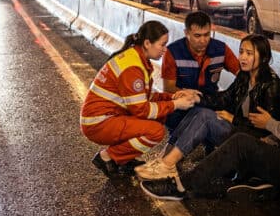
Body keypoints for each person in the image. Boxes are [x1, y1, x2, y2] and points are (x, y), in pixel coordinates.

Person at [141, 26, 280, 201]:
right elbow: (226, 99)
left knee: (241, 142)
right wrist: (197, 97)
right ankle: (265, 184)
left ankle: (180, 187)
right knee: (212, 120)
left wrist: (270, 126)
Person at [135, 34, 280, 181]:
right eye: (241, 52)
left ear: (264, 57)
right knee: (198, 110)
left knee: (205, 117)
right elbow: (224, 98)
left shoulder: (271, 86)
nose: (242, 57)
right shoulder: (245, 76)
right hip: (239, 131)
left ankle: (168, 165)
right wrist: (198, 97)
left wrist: (233, 119)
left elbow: (269, 130)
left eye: (249, 53)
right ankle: (165, 159)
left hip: (255, 143)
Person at [81, 21, 200, 177]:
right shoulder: (133, 67)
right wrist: (176, 104)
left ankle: (123, 159)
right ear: (147, 43)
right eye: (162, 45)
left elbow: (146, 97)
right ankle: (108, 157)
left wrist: (174, 95)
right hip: (99, 122)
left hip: (105, 118)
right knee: (155, 131)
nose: (165, 50)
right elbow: (142, 110)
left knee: (158, 117)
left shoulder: (136, 58)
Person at [161, 11, 241, 134]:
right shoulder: (173, 52)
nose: (203, 40)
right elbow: (168, 87)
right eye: (197, 36)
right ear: (186, 33)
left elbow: (241, 73)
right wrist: (187, 94)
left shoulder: (221, 49)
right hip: (184, 102)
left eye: (207, 35)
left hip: (210, 101)